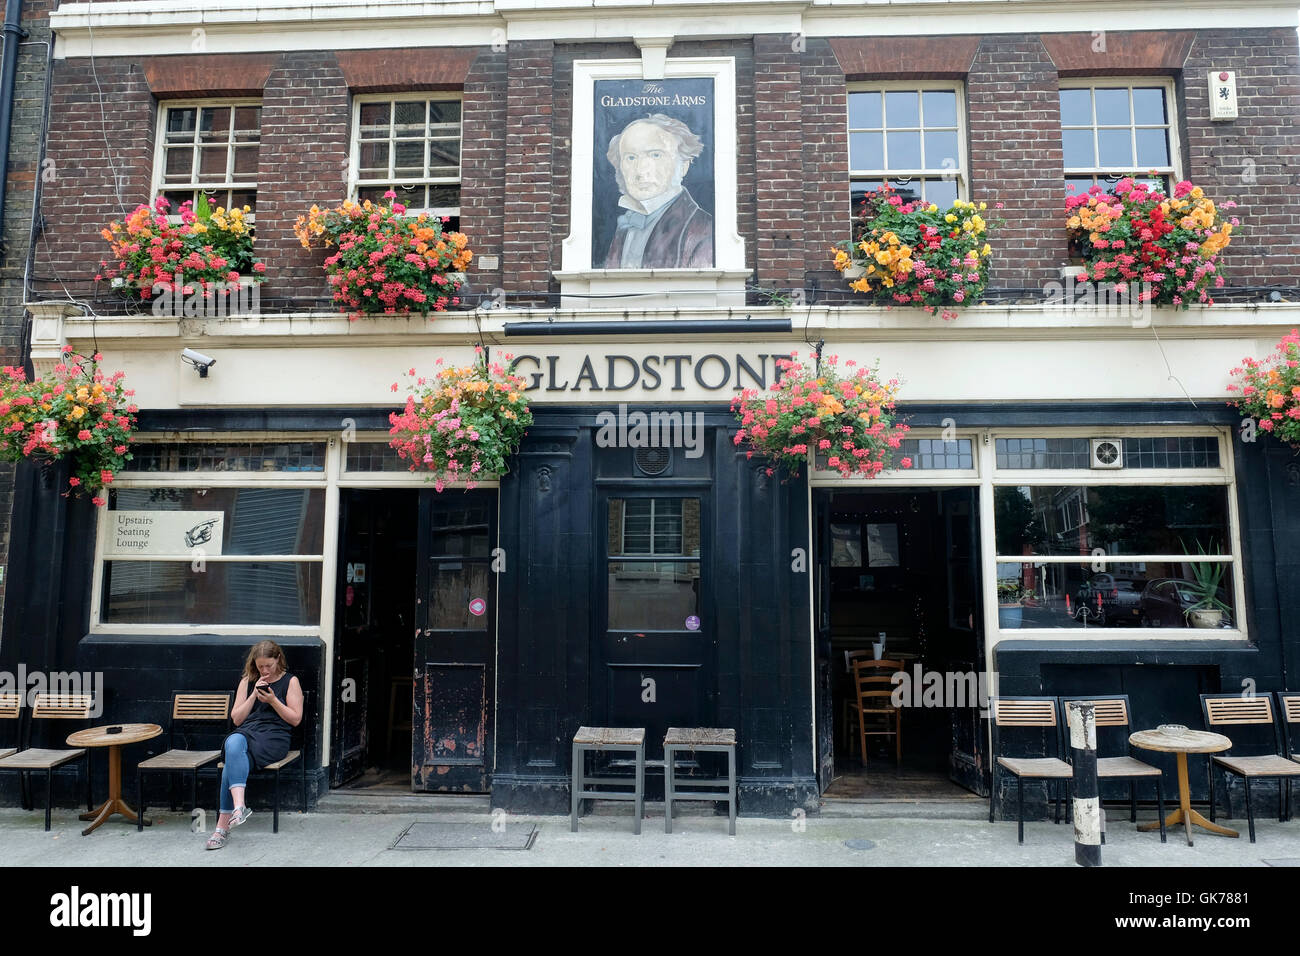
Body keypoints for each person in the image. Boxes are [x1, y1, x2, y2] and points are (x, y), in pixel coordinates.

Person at [205, 640, 304, 850]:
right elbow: (237, 719)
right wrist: (253, 695)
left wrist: (273, 701)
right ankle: (240, 806)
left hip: (275, 737)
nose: (265, 670)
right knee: (233, 742)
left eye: (269, 665)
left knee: (230, 765)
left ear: (278, 659)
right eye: (260, 666)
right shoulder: (247, 681)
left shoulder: (290, 681)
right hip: (248, 731)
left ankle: (221, 829)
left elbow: (295, 719)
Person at [602, 114, 714, 269]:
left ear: (683, 166)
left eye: (655, 155)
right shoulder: (625, 224)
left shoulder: (703, 232)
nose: (640, 171)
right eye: (631, 158)